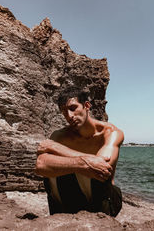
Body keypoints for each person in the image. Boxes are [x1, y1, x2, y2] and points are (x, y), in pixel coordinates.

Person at [35, 87, 124, 216]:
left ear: (86, 106)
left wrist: (56, 148)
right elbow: (41, 165)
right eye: (64, 112)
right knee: (54, 173)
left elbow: (102, 167)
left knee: (87, 170)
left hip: (106, 199)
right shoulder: (59, 136)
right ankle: (61, 217)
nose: (69, 116)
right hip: (74, 198)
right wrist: (83, 163)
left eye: (73, 108)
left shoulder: (110, 133)